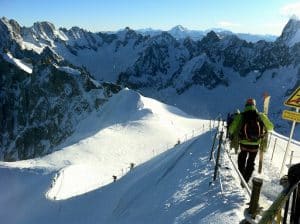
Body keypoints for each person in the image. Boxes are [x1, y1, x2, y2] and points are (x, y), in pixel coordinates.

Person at [229, 98, 274, 183]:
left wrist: (233, 133)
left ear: (246, 105)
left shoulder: (240, 116)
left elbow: (231, 129)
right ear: (254, 105)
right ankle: (246, 180)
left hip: (243, 143)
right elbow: (271, 127)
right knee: (251, 162)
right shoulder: (260, 115)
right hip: (255, 144)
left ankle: (242, 176)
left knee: (242, 158)